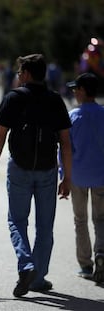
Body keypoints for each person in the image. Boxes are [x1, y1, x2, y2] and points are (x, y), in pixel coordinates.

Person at [0, 54, 72, 297]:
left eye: (20, 73)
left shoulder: (14, 98)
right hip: (48, 170)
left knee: (17, 221)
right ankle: (38, 278)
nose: (18, 77)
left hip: (19, 168)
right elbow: (66, 143)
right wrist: (67, 177)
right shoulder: (55, 100)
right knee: (44, 226)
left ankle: (26, 264)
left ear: (28, 74)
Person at [66, 73, 104, 283]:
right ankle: (101, 253)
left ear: (82, 91)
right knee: (101, 219)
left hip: (78, 175)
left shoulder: (73, 117)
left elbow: (65, 150)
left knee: (80, 220)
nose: (73, 92)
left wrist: (64, 175)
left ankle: (86, 265)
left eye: (75, 89)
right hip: (101, 175)